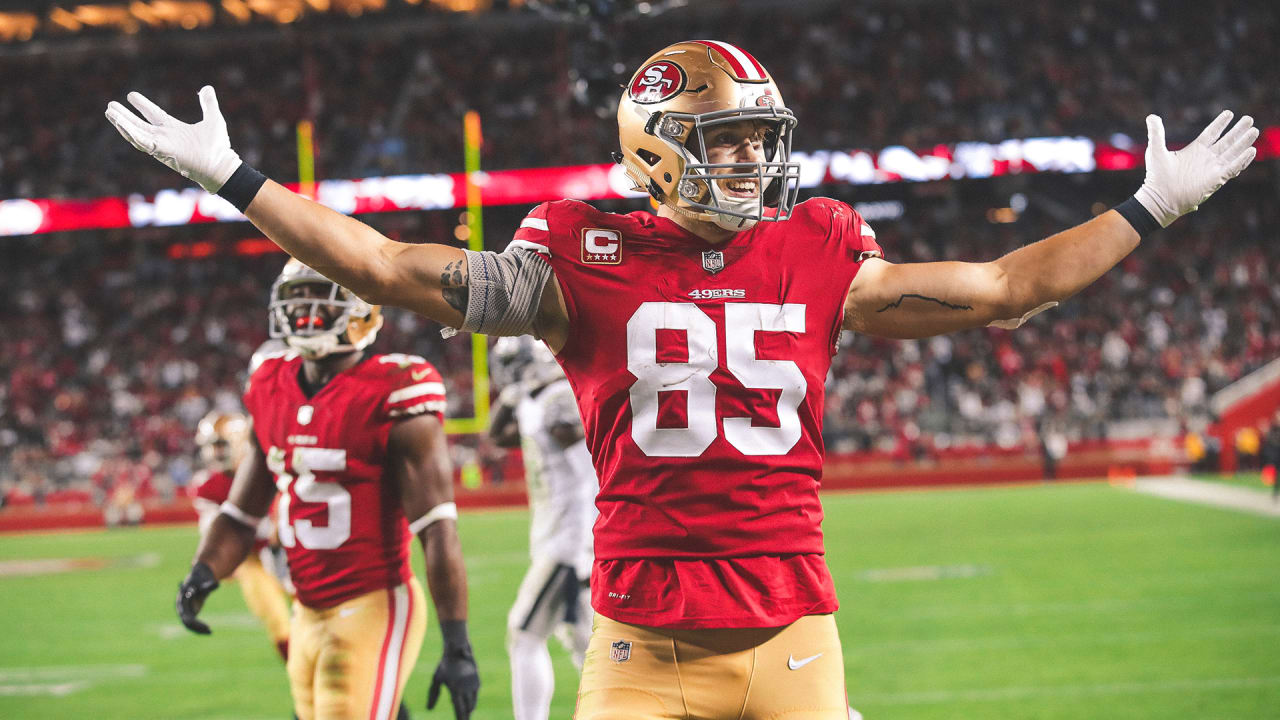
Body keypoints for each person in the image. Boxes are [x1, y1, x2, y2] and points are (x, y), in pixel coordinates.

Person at [108, 38, 1257, 719]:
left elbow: (1007, 286)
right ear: (653, 144)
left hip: (797, 640)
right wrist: (238, 177)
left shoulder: (819, 246)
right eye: (728, 140)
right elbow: (393, 269)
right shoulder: (575, 257)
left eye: (763, 138)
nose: (755, 158)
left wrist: (1150, 205)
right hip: (639, 653)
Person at [171, 259, 480, 720]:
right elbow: (241, 511)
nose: (302, 311)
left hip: (372, 600)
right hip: (307, 610)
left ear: (361, 310)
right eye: (295, 298)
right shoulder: (270, 381)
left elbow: (437, 529)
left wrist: (456, 641)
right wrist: (204, 571)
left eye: (317, 298)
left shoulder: (394, 389)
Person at [489, 336, 596, 720]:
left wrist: (584, 549)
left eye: (516, 365)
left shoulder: (556, 398)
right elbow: (495, 435)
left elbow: (579, 455)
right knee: (588, 646)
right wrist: (514, 396)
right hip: (565, 538)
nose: (508, 374)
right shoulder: (536, 400)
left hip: (569, 543)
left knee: (524, 633)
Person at [189, 409, 292, 662]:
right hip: (249, 559)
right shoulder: (208, 486)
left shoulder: (271, 468)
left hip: (290, 552)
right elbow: (217, 536)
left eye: (222, 445)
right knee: (276, 619)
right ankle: (304, 685)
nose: (216, 453)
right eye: (212, 446)